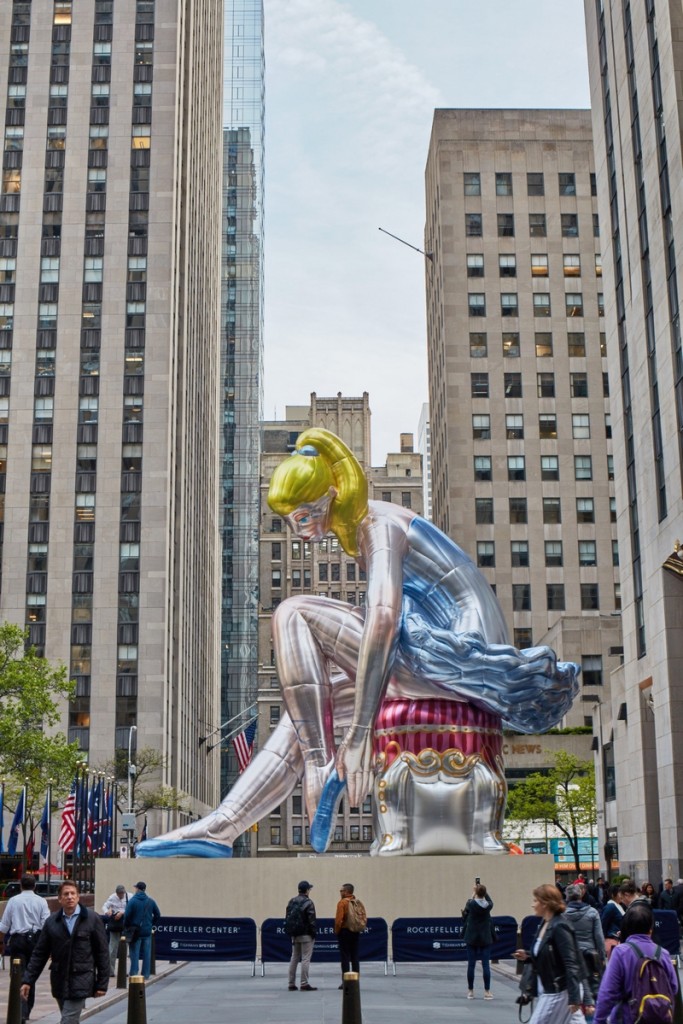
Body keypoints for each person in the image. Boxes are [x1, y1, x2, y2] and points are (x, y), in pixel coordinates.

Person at [137, 429, 579, 858]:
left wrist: (358, 734)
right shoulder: (368, 527)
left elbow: (383, 620)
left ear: (329, 496)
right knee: (310, 707)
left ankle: (318, 763)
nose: (298, 531)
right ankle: (222, 826)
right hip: (443, 663)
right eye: (290, 522)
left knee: (292, 613)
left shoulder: (379, 525)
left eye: (303, 517)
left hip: (453, 659)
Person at [20, 880, 109, 1024]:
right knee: (70, 1019)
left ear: (78, 897)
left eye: (73, 893)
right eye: (66, 894)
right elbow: (39, 954)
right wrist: (28, 980)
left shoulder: (92, 919)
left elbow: (102, 952)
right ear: (60, 899)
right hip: (59, 980)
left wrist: (102, 983)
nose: (70, 897)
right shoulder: (51, 922)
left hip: (82, 978)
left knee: (67, 1020)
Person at [513, 883, 591, 1024]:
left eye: (535, 900)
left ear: (545, 904)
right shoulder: (546, 923)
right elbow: (551, 953)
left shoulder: (559, 926)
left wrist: (574, 998)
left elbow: (571, 962)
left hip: (560, 990)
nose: (532, 904)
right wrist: (528, 955)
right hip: (555, 988)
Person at [593, 902, 678, 1024]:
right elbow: (673, 988)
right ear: (651, 928)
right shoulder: (663, 953)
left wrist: (599, 1020)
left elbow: (607, 992)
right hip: (661, 1018)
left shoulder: (621, 952)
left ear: (626, 928)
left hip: (629, 1017)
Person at [0, 875, 50, 1022]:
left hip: (18, 941)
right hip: (35, 940)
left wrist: (1, 942)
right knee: (31, 975)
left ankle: (20, 1009)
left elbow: (4, 926)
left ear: (21, 885)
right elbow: (46, 924)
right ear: (35, 886)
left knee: (17, 976)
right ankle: (26, 1010)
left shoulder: (13, 901)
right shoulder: (41, 901)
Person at [564, 884, 605, 1023]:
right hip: (590, 956)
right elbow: (599, 937)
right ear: (581, 895)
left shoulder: (563, 914)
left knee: (574, 990)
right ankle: (590, 1019)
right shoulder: (592, 912)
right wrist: (602, 957)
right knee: (593, 990)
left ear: (567, 897)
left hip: (571, 958)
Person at [461, 882, 495, 1000]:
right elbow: (490, 900)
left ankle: (470, 991)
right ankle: (487, 991)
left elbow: (465, 912)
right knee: (486, 965)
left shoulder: (470, 904)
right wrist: (482, 891)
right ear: (485, 894)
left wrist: (474, 892)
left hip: (471, 936)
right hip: (485, 937)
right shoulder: (489, 905)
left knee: (471, 965)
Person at [122, 881, 160, 981]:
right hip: (147, 931)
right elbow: (158, 914)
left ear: (138, 889)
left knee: (134, 953)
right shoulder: (150, 901)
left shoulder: (133, 901)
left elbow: (127, 916)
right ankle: (146, 974)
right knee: (147, 953)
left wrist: (127, 926)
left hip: (135, 931)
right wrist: (151, 924)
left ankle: (134, 973)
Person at [286, 881, 317, 992]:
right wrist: (313, 934)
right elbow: (311, 920)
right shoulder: (309, 902)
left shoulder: (292, 901)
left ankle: (291, 983)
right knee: (305, 959)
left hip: (294, 934)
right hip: (306, 935)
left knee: (294, 958)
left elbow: (287, 917)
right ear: (307, 890)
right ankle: (304, 983)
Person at [334, 883, 363, 989]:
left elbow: (338, 920)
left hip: (345, 932)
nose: (340, 892)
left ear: (346, 892)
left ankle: (346, 981)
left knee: (345, 957)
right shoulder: (357, 902)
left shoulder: (342, 903)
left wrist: (337, 931)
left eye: (341, 890)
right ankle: (356, 981)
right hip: (355, 932)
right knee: (355, 956)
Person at [101, 884, 132, 976]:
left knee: (124, 949)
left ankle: (123, 971)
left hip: (125, 924)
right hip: (115, 924)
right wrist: (107, 912)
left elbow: (131, 909)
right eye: (119, 894)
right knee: (112, 949)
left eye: (122, 893)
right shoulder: (112, 897)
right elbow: (104, 906)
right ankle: (110, 971)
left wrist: (122, 913)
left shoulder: (130, 896)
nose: (120, 895)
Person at [600, 885, 625, 959]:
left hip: (619, 940)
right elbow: (603, 924)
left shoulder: (619, 906)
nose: (621, 896)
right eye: (619, 893)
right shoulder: (610, 907)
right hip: (612, 941)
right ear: (613, 895)